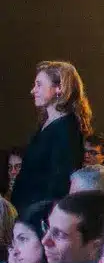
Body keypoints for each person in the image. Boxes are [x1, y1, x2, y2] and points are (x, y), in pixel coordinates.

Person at [13, 61, 89, 210]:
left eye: (39, 85)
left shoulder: (67, 128)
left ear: (59, 88)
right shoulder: (46, 124)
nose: (33, 90)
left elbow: (59, 184)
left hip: (41, 215)